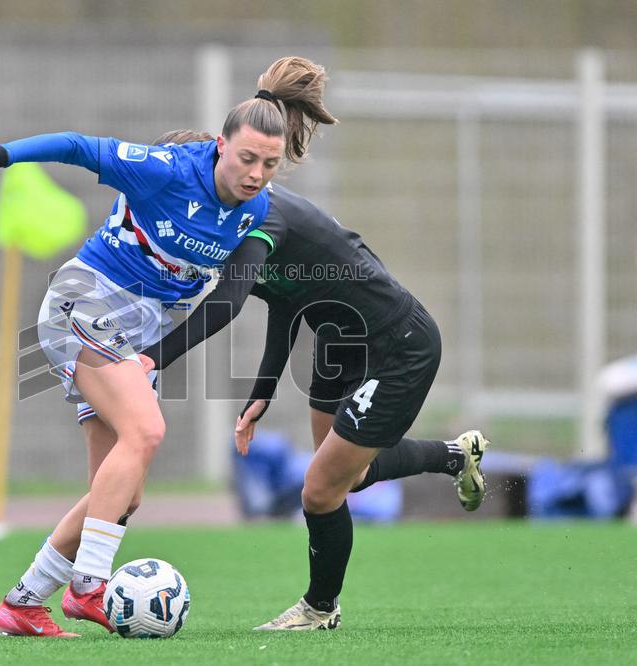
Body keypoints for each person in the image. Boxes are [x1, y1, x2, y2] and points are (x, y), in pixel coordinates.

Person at [0, 56, 337, 638]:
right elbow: (76, 145)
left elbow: (235, 295)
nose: (256, 173)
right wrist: (0, 155)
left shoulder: (255, 209)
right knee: (146, 431)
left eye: (269, 164)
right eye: (246, 159)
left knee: (119, 495)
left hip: (134, 333)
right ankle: (91, 585)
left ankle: (23, 603)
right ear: (220, 146)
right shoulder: (167, 169)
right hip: (87, 301)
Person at [141, 129, 489, 632]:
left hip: (397, 345)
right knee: (347, 475)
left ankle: (320, 608)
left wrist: (153, 359)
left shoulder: (261, 215)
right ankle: (455, 456)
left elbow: (229, 302)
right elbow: (283, 301)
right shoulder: (229, 219)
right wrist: (261, 393)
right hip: (337, 346)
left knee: (320, 490)